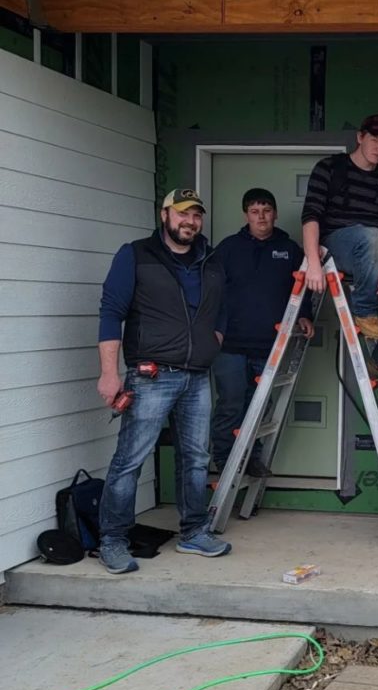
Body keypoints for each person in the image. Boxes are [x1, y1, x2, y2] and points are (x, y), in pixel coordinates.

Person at [95, 188, 230, 575]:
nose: (190, 221)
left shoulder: (212, 259)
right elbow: (110, 312)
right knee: (130, 460)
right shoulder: (136, 255)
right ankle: (113, 541)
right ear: (165, 215)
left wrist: (213, 340)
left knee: (195, 459)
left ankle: (193, 532)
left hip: (197, 377)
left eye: (197, 215)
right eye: (183, 214)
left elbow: (223, 308)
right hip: (151, 376)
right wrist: (109, 372)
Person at [210, 188, 314, 475]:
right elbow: (211, 292)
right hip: (229, 345)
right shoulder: (228, 249)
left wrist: (305, 315)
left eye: (266, 210)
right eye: (255, 211)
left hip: (271, 344)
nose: (261, 217)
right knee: (230, 404)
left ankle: (251, 459)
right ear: (247, 215)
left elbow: (304, 287)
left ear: (275, 213)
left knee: (260, 407)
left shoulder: (289, 249)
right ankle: (223, 461)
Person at [300, 114, 378, 347]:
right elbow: (311, 217)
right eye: (374, 140)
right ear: (360, 137)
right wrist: (313, 263)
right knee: (372, 235)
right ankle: (364, 310)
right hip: (336, 246)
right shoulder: (330, 168)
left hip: (375, 252)